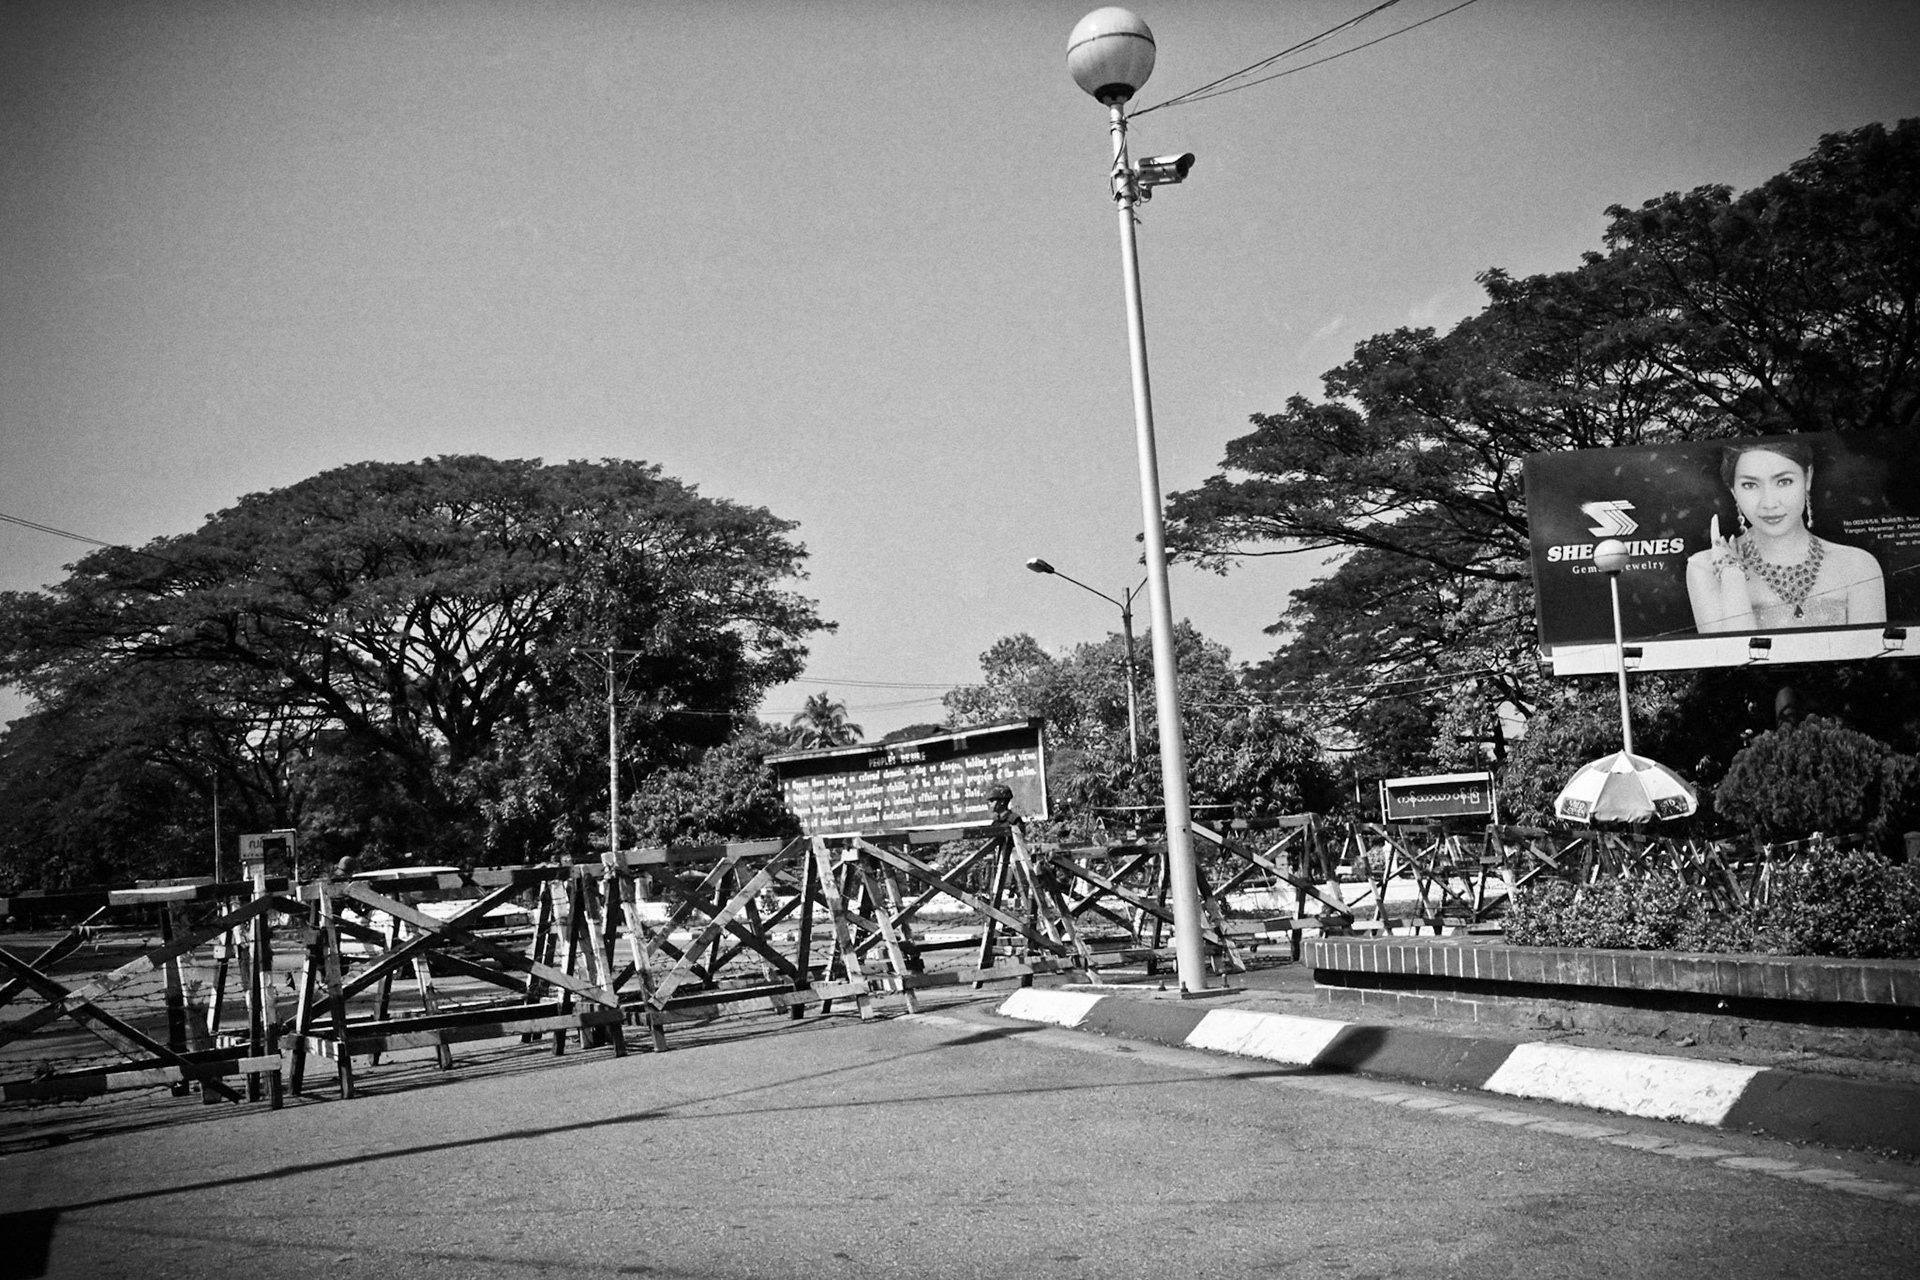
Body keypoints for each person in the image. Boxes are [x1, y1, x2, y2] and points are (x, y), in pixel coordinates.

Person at [1686, 438, 1886, 633]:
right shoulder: (1704, 568)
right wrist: (1732, 578)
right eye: (1750, 485)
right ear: (1733, 490)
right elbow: (1733, 659)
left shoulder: (1858, 565)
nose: (1769, 503)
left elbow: (1874, 661)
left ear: (1807, 478)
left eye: (1784, 481)